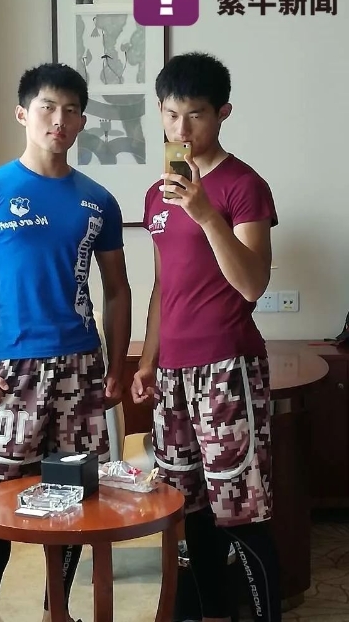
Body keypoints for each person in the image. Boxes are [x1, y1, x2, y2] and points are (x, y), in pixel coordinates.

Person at [0, 62, 131, 622]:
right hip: (12, 371)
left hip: (82, 367)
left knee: (76, 499)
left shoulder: (98, 200)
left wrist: (116, 367)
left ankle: (58, 610)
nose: (60, 119)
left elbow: (118, 290)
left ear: (82, 122)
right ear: (23, 114)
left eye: (72, 110)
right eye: (48, 107)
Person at [131, 52, 282, 622]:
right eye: (171, 115)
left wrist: (205, 213)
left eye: (195, 115)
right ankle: (212, 613)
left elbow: (252, 283)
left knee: (240, 511)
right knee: (187, 506)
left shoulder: (244, 186)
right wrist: (147, 361)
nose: (181, 129)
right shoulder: (156, 195)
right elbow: (162, 288)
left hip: (227, 367)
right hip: (171, 372)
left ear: (223, 114)